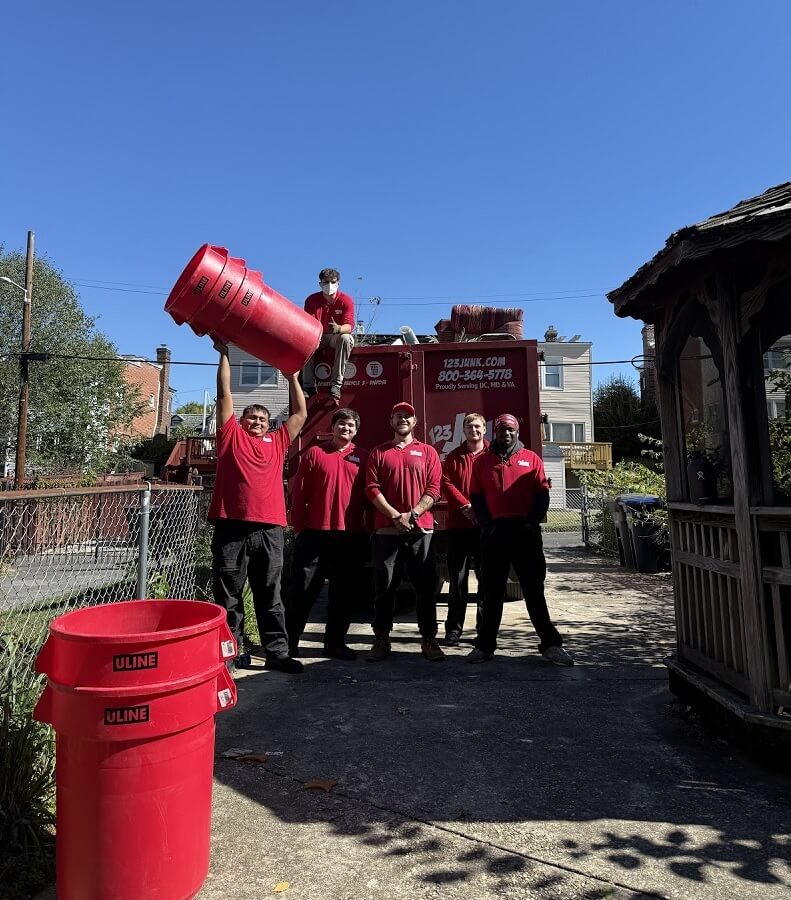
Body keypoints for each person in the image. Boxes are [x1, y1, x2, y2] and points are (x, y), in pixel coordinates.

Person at [208, 339, 307, 674]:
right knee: (229, 595)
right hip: (231, 526)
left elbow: (301, 414)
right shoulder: (230, 437)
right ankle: (229, 654)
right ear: (242, 421)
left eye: (263, 419)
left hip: (269, 528)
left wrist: (293, 377)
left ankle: (277, 653)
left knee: (271, 594)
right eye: (252, 417)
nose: (257, 422)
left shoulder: (278, 442)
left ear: (269, 425)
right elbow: (225, 397)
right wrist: (224, 354)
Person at [467, 413, 573, 666]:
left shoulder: (531, 459)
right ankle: (484, 647)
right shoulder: (482, 462)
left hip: (525, 534)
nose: (506, 434)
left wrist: (531, 522)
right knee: (491, 593)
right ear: (495, 432)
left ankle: (550, 645)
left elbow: (542, 494)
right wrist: (488, 526)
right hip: (494, 534)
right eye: (502, 429)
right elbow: (477, 496)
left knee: (534, 591)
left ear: (517, 432)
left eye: (511, 430)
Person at [286, 407, 369, 660]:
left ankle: (335, 644)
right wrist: (298, 527)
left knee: (343, 594)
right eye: (341, 424)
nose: (346, 429)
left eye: (351, 426)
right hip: (314, 534)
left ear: (356, 431)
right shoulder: (314, 454)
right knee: (303, 591)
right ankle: (289, 643)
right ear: (332, 427)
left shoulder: (363, 457)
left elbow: (371, 495)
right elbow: (299, 493)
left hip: (350, 535)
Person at [364, 402, 444, 662]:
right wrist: (395, 516)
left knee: (425, 588)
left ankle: (429, 640)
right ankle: (381, 638)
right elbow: (371, 488)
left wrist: (414, 514)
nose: (403, 419)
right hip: (387, 532)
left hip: (421, 531)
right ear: (391, 421)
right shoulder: (378, 452)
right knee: (384, 587)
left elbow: (434, 489)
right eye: (398, 415)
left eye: (407, 416)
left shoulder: (428, 452)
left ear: (415, 421)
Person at [440, 412, 488, 646]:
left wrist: (481, 510)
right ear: (464, 430)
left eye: (477, 426)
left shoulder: (493, 455)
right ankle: (453, 629)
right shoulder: (454, 456)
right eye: (469, 427)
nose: (474, 430)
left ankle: (484, 629)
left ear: (484, 430)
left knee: (486, 580)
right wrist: (465, 506)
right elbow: (445, 482)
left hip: (485, 528)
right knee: (457, 581)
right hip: (458, 526)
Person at [302, 268, 355, 403]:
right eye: (326, 282)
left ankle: (336, 385)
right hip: (318, 336)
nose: (329, 285)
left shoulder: (346, 300)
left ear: (338, 283)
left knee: (346, 338)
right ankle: (308, 386)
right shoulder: (312, 300)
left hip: (335, 337)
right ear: (320, 284)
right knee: (304, 342)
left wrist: (338, 328)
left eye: (333, 282)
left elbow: (349, 326)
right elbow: (308, 323)